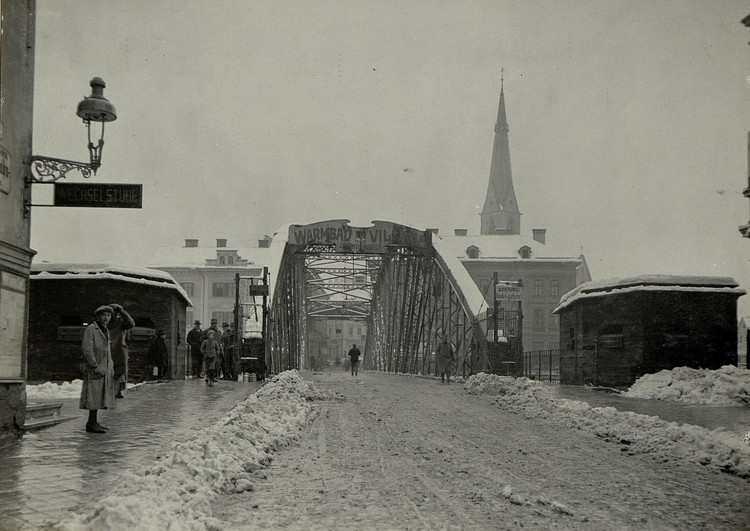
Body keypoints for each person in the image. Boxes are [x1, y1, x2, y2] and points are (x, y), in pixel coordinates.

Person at [79, 305, 116, 433]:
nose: (106, 318)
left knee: (99, 396)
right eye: (104, 315)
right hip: (94, 368)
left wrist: (110, 366)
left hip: (104, 368)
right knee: (93, 397)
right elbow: (87, 349)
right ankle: (91, 423)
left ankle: (93, 422)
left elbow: (107, 351)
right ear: (98, 316)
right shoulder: (91, 329)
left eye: (109, 315)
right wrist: (94, 366)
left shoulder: (105, 329)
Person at [108, 303, 135, 398]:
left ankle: (117, 391)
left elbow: (131, 323)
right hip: (107, 349)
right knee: (108, 370)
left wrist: (123, 312)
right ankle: (109, 391)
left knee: (120, 370)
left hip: (119, 349)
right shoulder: (104, 323)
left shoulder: (121, 322)